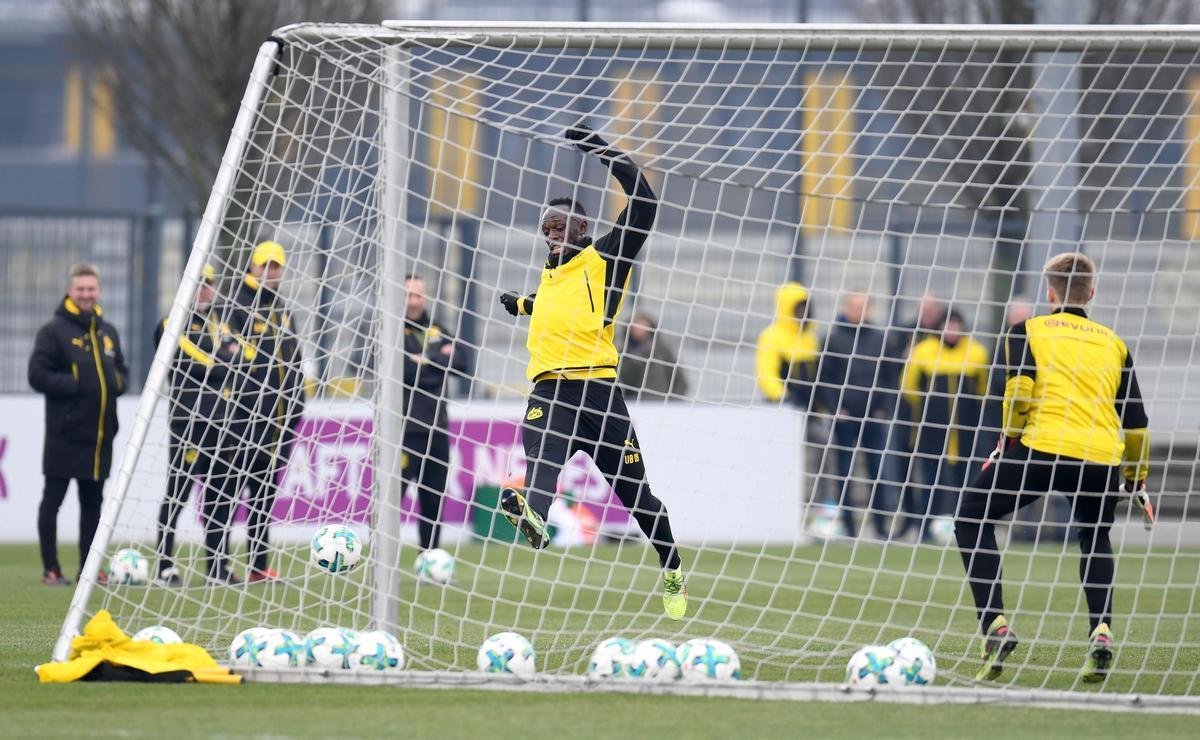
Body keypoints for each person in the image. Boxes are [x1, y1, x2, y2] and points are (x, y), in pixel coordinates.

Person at [498, 121, 687, 619]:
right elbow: (548, 305)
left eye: (562, 227)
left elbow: (644, 202)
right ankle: (536, 516)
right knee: (540, 460)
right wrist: (519, 303)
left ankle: (671, 568)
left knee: (638, 498)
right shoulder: (550, 279)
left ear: (582, 229)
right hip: (550, 391)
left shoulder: (605, 258)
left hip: (599, 394)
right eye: (548, 229)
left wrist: (600, 150)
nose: (553, 235)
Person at [955, 252, 1152, 683]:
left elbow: (1019, 393)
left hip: (1040, 449)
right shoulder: (1114, 343)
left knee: (970, 516)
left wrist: (1007, 442)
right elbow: (1136, 425)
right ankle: (1101, 630)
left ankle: (995, 626)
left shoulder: (1026, 330)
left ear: (1049, 292)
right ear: (1092, 293)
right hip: (1099, 458)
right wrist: (1137, 479)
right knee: (1094, 535)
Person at [28, 263, 127, 586]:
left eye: (91, 289)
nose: (86, 294)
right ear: (70, 291)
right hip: (64, 434)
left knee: (93, 506)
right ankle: (51, 569)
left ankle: (89, 569)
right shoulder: (53, 331)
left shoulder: (108, 331)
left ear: (98, 291)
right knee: (52, 501)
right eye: (80, 289)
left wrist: (116, 383)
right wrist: (75, 382)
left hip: (99, 438)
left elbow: (121, 372)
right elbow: (37, 375)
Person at [153, 264, 241, 585]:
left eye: (209, 284)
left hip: (223, 422)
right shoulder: (170, 323)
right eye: (198, 283)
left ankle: (217, 566)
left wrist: (224, 359)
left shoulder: (222, 322)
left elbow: (242, 359)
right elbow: (198, 364)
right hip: (188, 422)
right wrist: (223, 358)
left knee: (221, 496)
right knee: (177, 493)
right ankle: (165, 564)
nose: (203, 289)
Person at [225, 241, 306, 582]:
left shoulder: (282, 308)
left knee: (263, 493)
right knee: (228, 491)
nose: (271, 271)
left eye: (277, 266)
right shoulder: (236, 306)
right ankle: (218, 564)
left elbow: (295, 359)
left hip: (278, 420)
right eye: (265, 265)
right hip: (243, 417)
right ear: (253, 266)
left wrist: (298, 402)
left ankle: (258, 565)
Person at [897, 309, 989, 542]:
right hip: (932, 433)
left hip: (965, 433)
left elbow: (983, 389)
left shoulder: (976, 352)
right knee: (930, 483)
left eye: (956, 325)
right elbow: (909, 388)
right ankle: (924, 530)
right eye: (948, 325)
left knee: (966, 484)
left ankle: (967, 530)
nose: (952, 330)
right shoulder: (923, 352)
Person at [816, 292, 895, 539]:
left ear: (870, 310)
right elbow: (825, 378)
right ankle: (849, 529)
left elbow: (890, 377)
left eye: (863, 307)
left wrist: (883, 407)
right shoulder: (834, 339)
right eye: (854, 306)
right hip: (845, 417)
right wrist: (834, 408)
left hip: (873, 415)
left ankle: (881, 529)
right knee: (845, 471)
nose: (859, 311)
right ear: (846, 308)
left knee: (876, 471)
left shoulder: (880, 340)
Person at [402, 274, 469, 553]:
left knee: (433, 501)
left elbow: (462, 362)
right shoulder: (388, 329)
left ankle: (428, 560)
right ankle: (380, 566)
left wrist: (424, 361)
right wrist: (439, 360)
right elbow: (404, 372)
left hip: (436, 430)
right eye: (408, 295)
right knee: (390, 501)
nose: (414, 301)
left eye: (418, 295)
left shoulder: (438, 328)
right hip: (402, 432)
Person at [618, 312, 688, 401]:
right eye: (636, 326)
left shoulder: (662, 350)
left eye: (643, 325)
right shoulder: (624, 353)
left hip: (661, 403)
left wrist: (672, 401)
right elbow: (623, 380)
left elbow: (679, 379)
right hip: (634, 403)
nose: (639, 329)